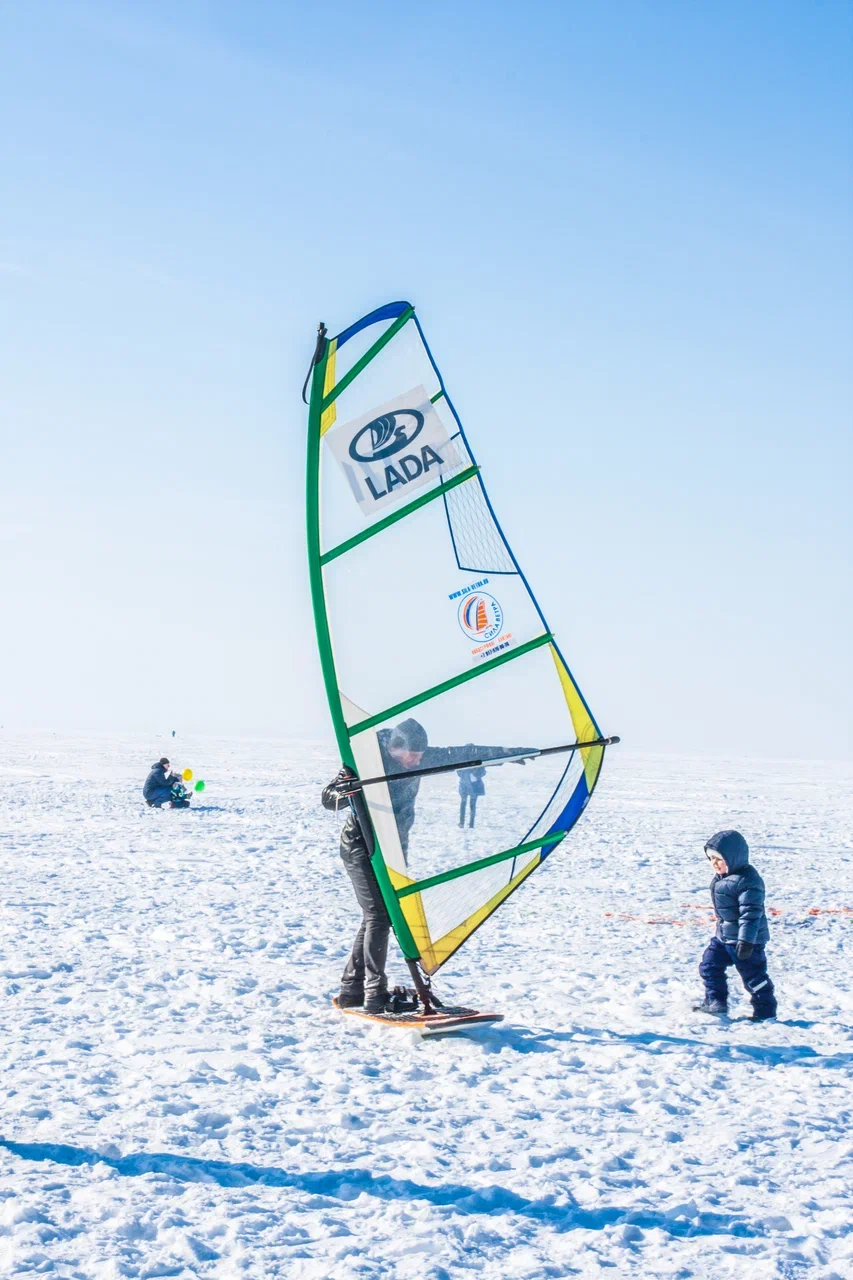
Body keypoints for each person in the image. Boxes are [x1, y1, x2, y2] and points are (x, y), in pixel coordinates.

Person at [323, 717, 530, 1014]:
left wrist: (509, 753)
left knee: (376, 915)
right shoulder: (366, 761)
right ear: (395, 748)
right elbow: (328, 798)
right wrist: (346, 789)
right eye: (412, 756)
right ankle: (374, 994)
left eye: (420, 757)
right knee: (379, 915)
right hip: (361, 846)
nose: (416, 762)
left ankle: (351, 989)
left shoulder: (418, 757)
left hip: (394, 849)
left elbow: (463, 753)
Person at [694, 829, 777, 1021]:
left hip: (747, 941)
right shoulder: (722, 878)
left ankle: (765, 1012)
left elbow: (751, 914)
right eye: (711, 859)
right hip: (724, 937)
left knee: (754, 978)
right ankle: (716, 1002)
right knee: (709, 966)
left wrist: (746, 941)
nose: (714, 863)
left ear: (733, 858)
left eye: (719, 859)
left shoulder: (748, 882)